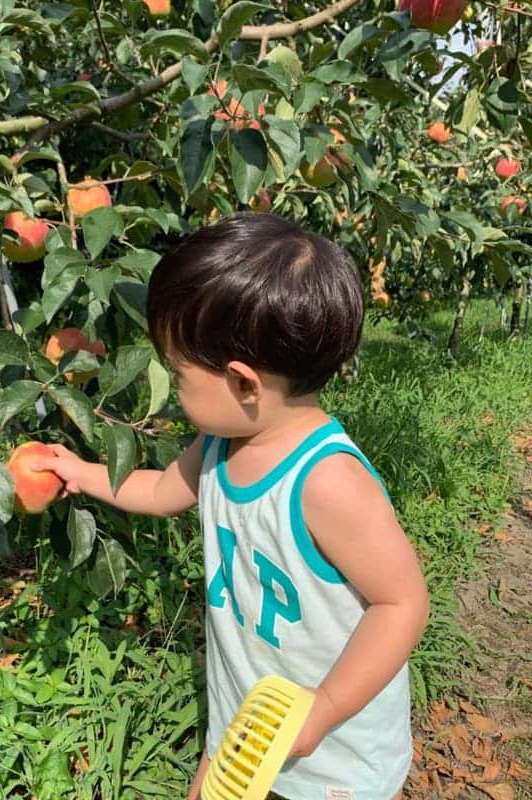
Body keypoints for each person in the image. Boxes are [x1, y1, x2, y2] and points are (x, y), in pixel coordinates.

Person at [32, 212, 430, 800]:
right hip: (246, 721)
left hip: (335, 758)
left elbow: (402, 601)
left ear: (244, 383)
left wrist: (323, 709)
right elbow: (166, 490)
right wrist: (81, 473)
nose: (169, 383)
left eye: (178, 372)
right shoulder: (222, 443)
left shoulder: (326, 482)